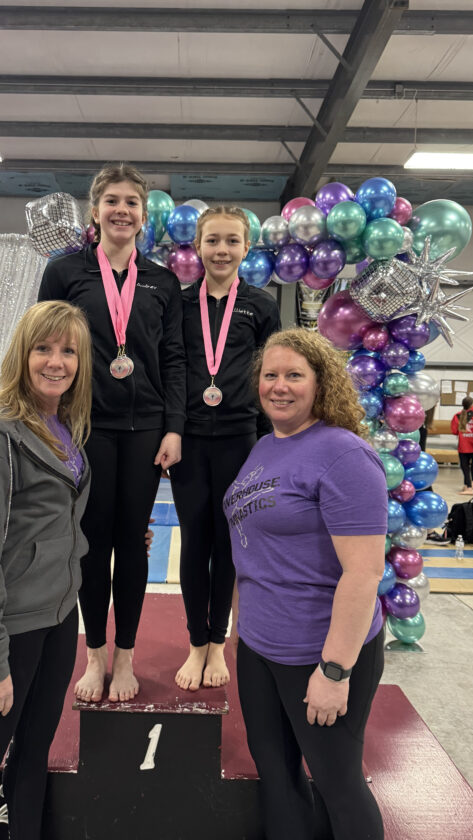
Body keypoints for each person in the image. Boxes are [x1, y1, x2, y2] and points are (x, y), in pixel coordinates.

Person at [225, 328, 387, 840]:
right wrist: (239, 628)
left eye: (294, 375)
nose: (279, 386)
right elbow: (250, 547)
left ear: (321, 383)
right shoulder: (265, 447)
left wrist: (334, 671)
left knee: (339, 785)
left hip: (318, 651)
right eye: (270, 375)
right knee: (277, 779)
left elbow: (364, 572)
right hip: (260, 648)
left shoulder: (344, 455)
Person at [0, 301, 93, 840]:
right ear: (21, 355)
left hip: (59, 617)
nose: (56, 361)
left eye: (68, 351)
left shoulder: (64, 426)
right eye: (43, 348)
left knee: (34, 753)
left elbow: (51, 519)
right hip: (8, 630)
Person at [38, 163, 186, 703]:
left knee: (132, 541)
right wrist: (48, 422)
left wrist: (174, 428)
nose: (122, 210)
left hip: (145, 428)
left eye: (132, 202)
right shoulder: (65, 272)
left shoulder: (162, 281)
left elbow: (174, 359)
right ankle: (95, 654)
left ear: (144, 216)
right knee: (92, 542)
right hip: (84, 426)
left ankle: (126, 655)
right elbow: (44, 350)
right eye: (112, 201)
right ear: (95, 210)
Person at [170, 206, 280, 692]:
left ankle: (219, 641)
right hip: (191, 439)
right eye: (212, 240)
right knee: (195, 541)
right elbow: (172, 369)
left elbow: (272, 375)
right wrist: (172, 429)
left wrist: (270, 441)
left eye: (232, 241)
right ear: (197, 245)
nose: (221, 250)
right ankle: (197, 642)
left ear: (246, 247)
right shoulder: (179, 304)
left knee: (231, 544)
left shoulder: (261, 305)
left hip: (242, 440)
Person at [451, 396, 473, 495]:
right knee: (472, 466)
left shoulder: (457, 416)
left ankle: (469, 487)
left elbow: (454, 431)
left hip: (463, 445)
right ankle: (467, 484)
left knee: (465, 467)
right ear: (472, 405)